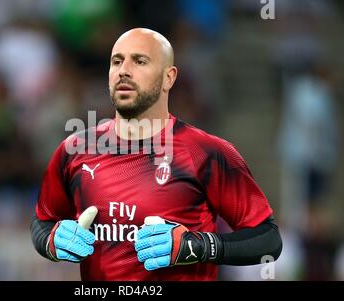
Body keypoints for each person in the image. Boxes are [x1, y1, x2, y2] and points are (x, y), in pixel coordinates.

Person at [31, 28, 282, 280]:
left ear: (168, 78)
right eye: (117, 61)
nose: (124, 71)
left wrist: (196, 246)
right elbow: (43, 222)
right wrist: (52, 242)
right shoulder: (75, 150)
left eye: (140, 61)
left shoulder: (206, 153)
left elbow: (268, 240)